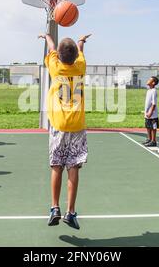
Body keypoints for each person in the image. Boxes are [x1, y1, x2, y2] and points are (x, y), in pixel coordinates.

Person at [38, 32, 91, 230]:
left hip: (59, 125)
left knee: (56, 166)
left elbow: (52, 48)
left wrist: (47, 36)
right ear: (76, 55)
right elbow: (80, 52)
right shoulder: (81, 67)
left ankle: (54, 208)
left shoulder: (55, 67)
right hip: (77, 126)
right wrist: (81, 41)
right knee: (73, 168)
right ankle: (71, 212)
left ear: (59, 56)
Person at [143, 76, 159, 147]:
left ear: (153, 83)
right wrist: (146, 111)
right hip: (147, 113)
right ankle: (149, 139)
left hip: (153, 114)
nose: (148, 80)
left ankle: (153, 140)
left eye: (150, 79)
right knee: (148, 126)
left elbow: (154, 103)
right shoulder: (148, 90)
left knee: (153, 127)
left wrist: (150, 112)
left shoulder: (154, 91)